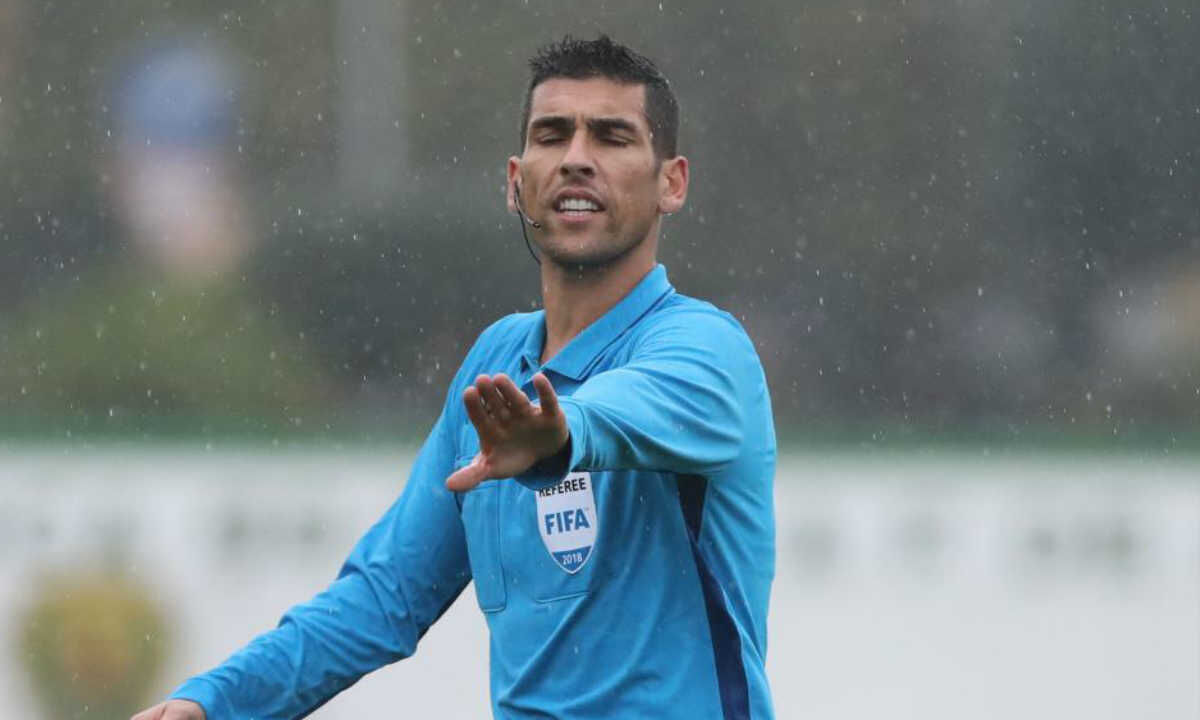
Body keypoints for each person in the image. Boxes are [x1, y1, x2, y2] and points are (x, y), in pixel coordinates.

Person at [133, 35, 776, 720]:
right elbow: (383, 597)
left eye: (612, 137)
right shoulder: (496, 364)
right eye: (552, 135)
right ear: (515, 182)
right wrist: (214, 702)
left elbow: (622, 408)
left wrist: (559, 439)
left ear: (671, 183)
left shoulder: (707, 348)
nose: (576, 158)